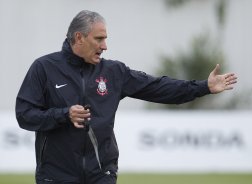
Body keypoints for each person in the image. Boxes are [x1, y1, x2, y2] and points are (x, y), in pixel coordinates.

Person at [16, 10, 237, 184]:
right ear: (79, 37)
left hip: (102, 174)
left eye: (105, 38)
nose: (105, 46)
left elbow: (159, 87)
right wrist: (64, 115)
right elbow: (25, 115)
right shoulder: (44, 68)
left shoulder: (114, 72)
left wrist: (204, 87)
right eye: (99, 39)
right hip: (56, 176)